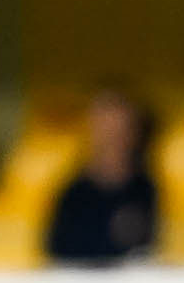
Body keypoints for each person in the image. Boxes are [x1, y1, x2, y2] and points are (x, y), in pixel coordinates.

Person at [42, 88, 158, 268]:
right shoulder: (72, 195)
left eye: (119, 128)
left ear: (133, 132)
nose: (112, 138)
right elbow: (57, 258)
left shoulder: (147, 190)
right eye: (104, 127)